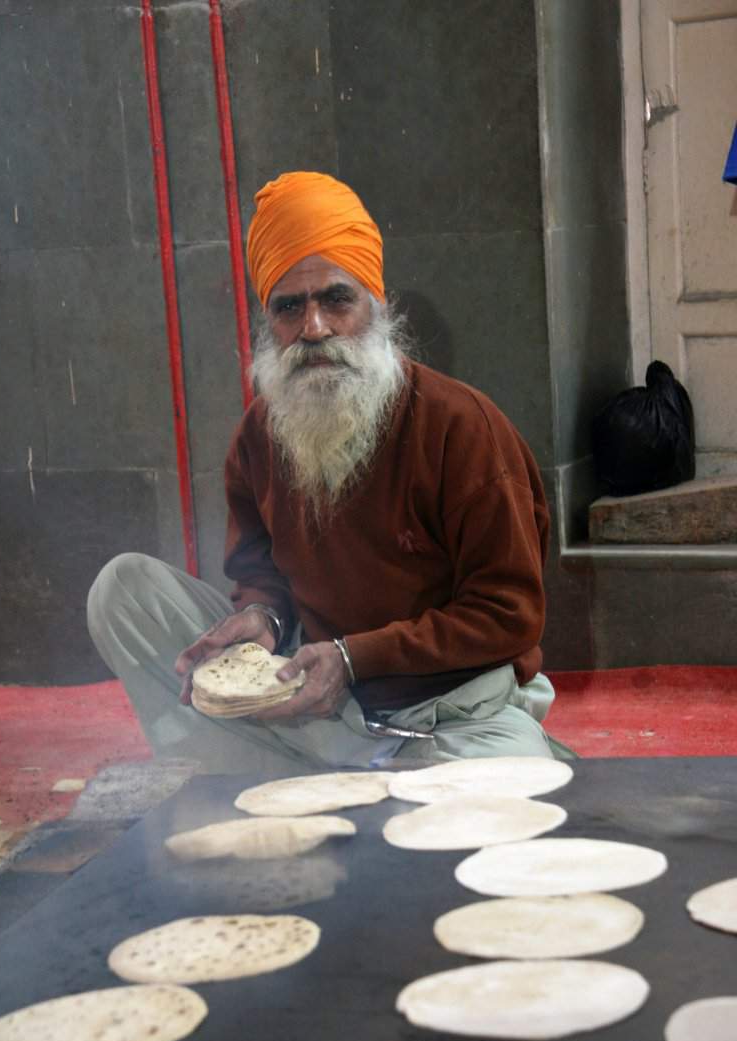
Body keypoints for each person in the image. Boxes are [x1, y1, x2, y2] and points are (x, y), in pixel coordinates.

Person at [88, 171, 564, 777]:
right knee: (124, 591)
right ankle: (276, 763)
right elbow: (261, 574)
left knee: (507, 805)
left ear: (377, 304)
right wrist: (265, 618)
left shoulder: (462, 427)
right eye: (290, 308)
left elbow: (508, 613)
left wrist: (353, 658)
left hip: (447, 721)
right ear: (271, 323)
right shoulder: (261, 437)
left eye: (337, 299)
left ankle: (289, 773)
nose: (314, 328)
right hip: (311, 709)